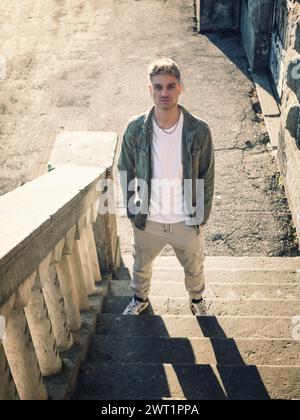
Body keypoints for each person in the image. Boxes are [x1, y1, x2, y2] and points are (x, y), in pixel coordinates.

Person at [117, 58, 214, 316]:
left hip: (186, 219)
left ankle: (196, 301)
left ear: (180, 88)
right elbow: (124, 168)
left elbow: (206, 174)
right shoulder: (136, 128)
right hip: (149, 218)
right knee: (140, 264)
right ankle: (140, 298)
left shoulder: (199, 130)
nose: (164, 93)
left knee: (194, 266)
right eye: (158, 87)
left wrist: (201, 217)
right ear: (150, 90)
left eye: (171, 86)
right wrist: (131, 209)